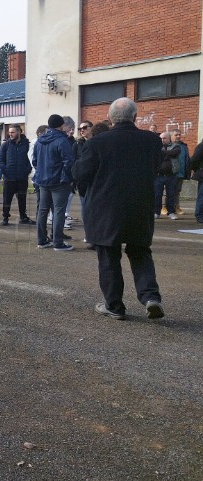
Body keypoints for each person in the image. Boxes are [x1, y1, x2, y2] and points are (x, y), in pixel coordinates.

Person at [75, 97, 164, 321]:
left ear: (110, 119)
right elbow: (156, 167)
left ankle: (114, 305)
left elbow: (79, 174)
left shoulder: (97, 142)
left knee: (108, 256)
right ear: (135, 117)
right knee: (140, 251)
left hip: (106, 208)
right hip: (139, 205)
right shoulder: (152, 141)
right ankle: (150, 297)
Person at [33, 115, 74, 251]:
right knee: (58, 211)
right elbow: (68, 162)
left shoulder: (40, 141)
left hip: (43, 181)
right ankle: (58, 242)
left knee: (42, 211)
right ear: (61, 125)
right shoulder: (62, 140)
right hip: (59, 182)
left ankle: (42, 240)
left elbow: (35, 161)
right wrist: (68, 178)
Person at [0, 125, 34, 226]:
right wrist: (6, 171)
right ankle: (5, 217)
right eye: (9, 132)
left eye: (13, 132)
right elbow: (0, 160)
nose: (10, 134)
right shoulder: (5, 145)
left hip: (22, 178)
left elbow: (30, 159)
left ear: (19, 132)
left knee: (22, 199)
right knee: (7, 199)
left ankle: (23, 217)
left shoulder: (27, 144)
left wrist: (27, 170)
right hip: (9, 178)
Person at [155, 132, 179, 220]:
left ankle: (171, 212)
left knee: (171, 195)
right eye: (161, 138)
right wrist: (167, 153)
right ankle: (156, 212)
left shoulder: (176, 146)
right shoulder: (156, 146)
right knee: (157, 194)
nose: (162, 140)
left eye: (164, 138)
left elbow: (174, 153)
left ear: (169, 139)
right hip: (159, 175)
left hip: (171, 175)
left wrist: (162, 153)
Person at [171, 130, 190, 215]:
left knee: (177, 191)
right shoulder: (169, 145)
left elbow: (186, 159)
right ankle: (165, 206)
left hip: (181, 172)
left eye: (179, 135)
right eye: (176, 135)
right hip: (170, 172)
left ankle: (176, 206)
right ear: (171, 136)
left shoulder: (183, 146)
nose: (178, 136)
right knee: (169, 191)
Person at [190, 138, 203, 224]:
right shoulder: (201, 147)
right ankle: (199, 215)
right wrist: (197, 170)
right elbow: (194, 160)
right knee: (202, 196)